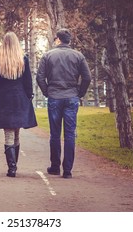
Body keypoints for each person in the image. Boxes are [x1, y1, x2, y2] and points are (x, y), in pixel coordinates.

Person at [36, 28, 91, 179]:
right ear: (69, 41)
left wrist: (47, 92)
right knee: (69, 134)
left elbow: (40, 77)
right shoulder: (78, 56)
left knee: (55, 134)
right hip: (71, 97)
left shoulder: (48, 55)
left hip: (54, 97)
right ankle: (67, 170)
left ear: (58, 40)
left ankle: (55, 167)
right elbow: (87, 77)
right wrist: (79, 93)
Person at [0, 31, 37, 177]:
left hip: (4, 99)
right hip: (20, 98)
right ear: (16, 43)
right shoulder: (23, 59)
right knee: (16, 132)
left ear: (4, 42)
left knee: (8, 133)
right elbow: (28, 80)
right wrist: (29, 95)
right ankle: (14, 166)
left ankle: (12, 168)